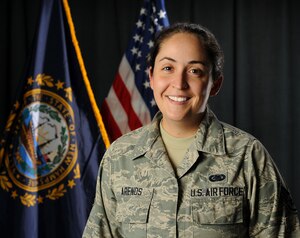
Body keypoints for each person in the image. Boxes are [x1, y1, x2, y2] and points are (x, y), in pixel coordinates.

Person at [82, 23, 300, 237]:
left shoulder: (247, 156)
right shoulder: (120, 156)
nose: (179, 83)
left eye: (195, 71)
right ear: (151, 77)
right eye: (168, 68)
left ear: (215, 84)